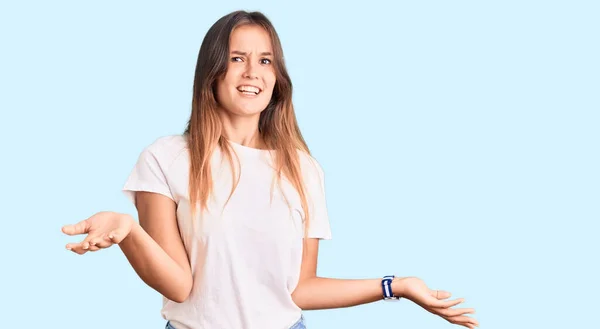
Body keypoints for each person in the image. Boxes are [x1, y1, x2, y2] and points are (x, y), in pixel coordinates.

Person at [61, 10, 479, 329]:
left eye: (265, 61)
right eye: (237, 58)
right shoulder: (166, 157)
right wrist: (128, 231)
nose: (251, 73)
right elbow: (180, 286)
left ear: (277, 77)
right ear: (212, 70)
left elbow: (300, 289)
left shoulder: (302, 169)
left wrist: (397, 286)